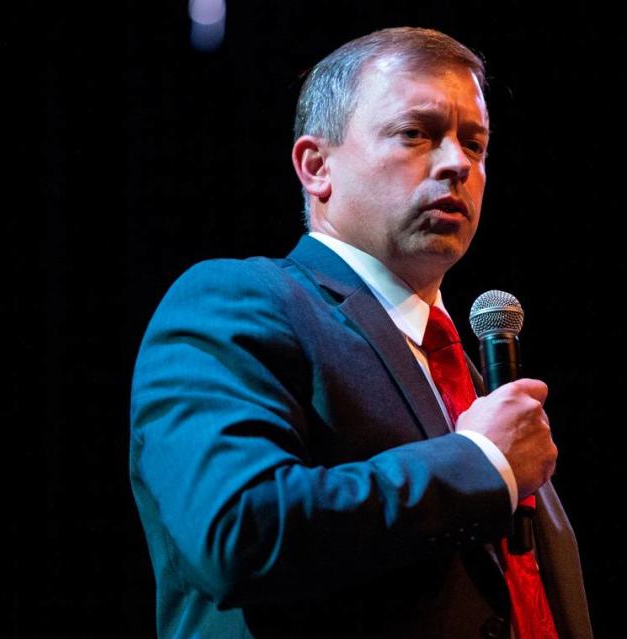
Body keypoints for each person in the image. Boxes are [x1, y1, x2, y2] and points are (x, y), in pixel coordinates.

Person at [130, 27, 593, 638]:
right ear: (316, 167)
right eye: (415, 133)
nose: (457, 163)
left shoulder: (472, 375)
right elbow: (237, 530)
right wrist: (479, 463)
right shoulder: (236, 300)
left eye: (475, 144)